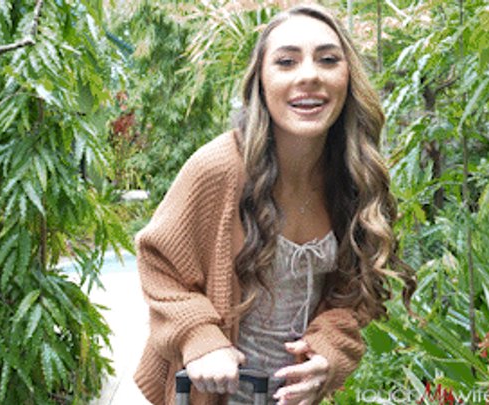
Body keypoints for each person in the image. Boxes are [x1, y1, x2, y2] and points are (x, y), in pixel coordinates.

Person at [133, 4, 415, 405]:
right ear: (261, 82)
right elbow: (158, 262)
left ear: (348, 77)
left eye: (328, 60)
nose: (309, 75)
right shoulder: (218, 168)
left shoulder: (354, 176)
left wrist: (327, 352)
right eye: (286, 62)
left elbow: (352, 297)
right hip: (210, 394)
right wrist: (200, 336)